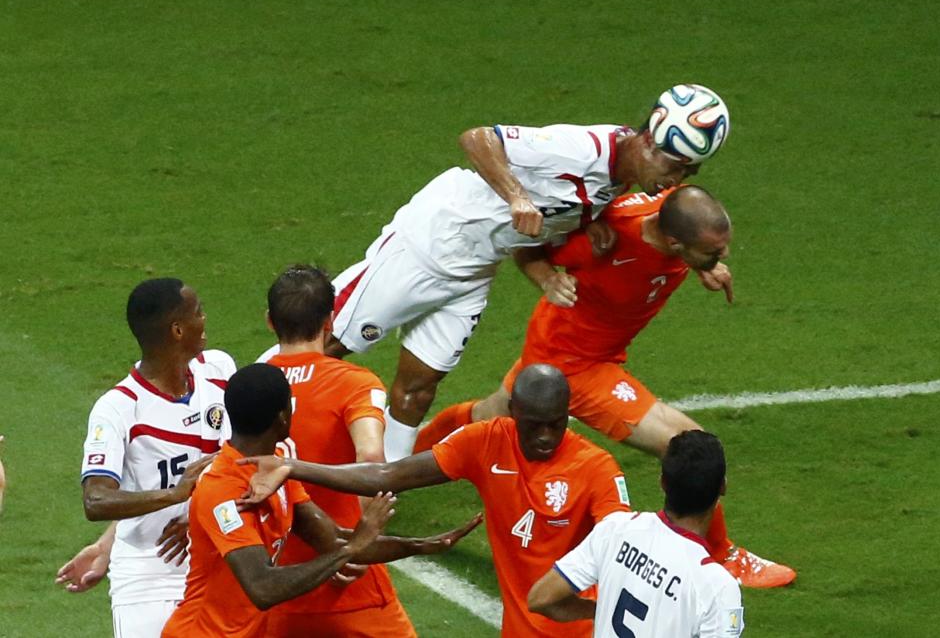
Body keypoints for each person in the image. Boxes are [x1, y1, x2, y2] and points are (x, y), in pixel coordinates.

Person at [317, 84, 730, 461]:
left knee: (418, 389)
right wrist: (517, 198)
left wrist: (700, 262)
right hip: (434, 240)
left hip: (476, 269)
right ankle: (254, 433)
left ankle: (381, 487)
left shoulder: (625, 182)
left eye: (688, 173)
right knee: (325, 345)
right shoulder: (581, 149)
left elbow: (669, 224)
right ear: (648, 142)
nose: (676, 181)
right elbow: (478, 138)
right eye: (676, 167)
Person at [417, 185, 795, 588]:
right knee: (689, 446)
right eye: (713, 253)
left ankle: (391, 458)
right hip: (573, 364)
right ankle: (721, 556)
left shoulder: (668, 208)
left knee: (488, 417)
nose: (724, 258)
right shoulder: (610, 240)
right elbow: (525, 246)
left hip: (567, 342)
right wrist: (547, 278)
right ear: (673, 241)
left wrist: (702, 264)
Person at [237, 364, 634, 637]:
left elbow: (623, 546)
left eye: (557, 423)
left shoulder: (596, 468)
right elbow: (387, 475)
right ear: (514, 412)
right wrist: (294, 468)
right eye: (535, 425)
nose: (547, 436)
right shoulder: (485, 442)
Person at [161, 363, 479, 638]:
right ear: (283, 416)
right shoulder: (221, 489)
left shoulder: (278, 464)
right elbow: (263, 587)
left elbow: (331, 538)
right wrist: (351, 549)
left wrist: (420, 546)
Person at [56, 278, 237, 637]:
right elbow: (96, 499)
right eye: (198, 311)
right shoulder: (119, 408)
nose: (205, 318)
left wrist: (196, 515)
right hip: (151, 574)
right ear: (177, 329)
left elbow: (242, 457)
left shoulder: (219, 370)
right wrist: (176, 496)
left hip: (219, 557)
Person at [263, 264, 426, 637]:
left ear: (270, 321)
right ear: (330, 321)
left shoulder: (251, 386)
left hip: (278, 583)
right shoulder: (354, 383)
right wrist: (358, 544)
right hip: (351, 587)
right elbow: (370, 456)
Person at [527, 430, 744, 637]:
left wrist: (600, 610)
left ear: (663, 483)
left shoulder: (616, 529)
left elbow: (541, 598)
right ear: (723, 487)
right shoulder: (717, 587)